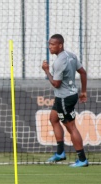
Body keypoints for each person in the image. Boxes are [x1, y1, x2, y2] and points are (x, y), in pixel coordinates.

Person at [42, 34, 88, 167]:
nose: (49, 46)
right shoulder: (72, 55)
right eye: (49, 44)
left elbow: (56, 83)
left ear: (60, 45)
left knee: (71, 127)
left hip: (64, 98)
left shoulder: (59, 62)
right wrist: (83, 91)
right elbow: (83, 72)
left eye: (52, 44)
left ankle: (82, 159)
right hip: (69, 95)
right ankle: (60, 153)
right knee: (53, 118)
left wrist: (46, 71)